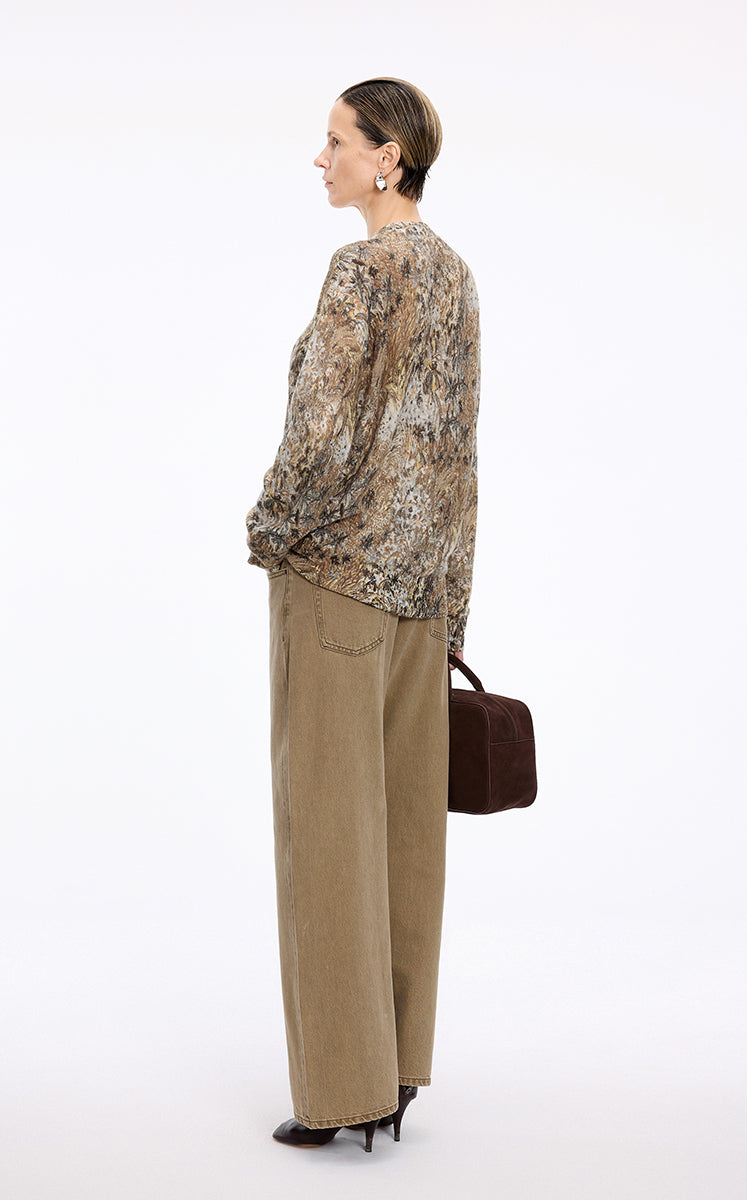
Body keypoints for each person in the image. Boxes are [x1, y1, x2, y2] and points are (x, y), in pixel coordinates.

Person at [245, 76, 480, 1153]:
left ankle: (342, 1091)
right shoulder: (455, 276)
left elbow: (320, 431)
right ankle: (398, 1073)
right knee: (405, 837)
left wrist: (269, 528)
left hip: (337, 584)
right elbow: (458, 453)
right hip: (422, 598)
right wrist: (455, 602)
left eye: (337, 140)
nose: (321, 158)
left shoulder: (361, 270)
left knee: (327, 838)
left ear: (388, 158)